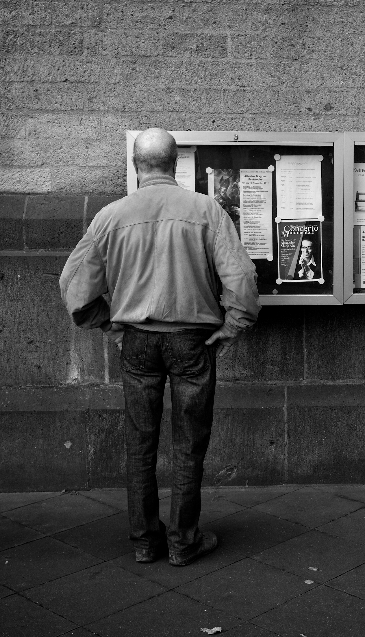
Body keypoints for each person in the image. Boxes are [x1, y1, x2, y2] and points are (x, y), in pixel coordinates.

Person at [59, 128, 260, 567]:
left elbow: (74, 289)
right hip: (192, 341)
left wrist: (112, 327)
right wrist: (231, 327)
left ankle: (145, 541)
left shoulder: (111, 215)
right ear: (175, 164)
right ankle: (183, 543)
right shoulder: (207, 211)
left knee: (139, 441)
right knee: (189, 444)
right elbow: (241, 282)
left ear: (136, 166)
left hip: (137, 342)